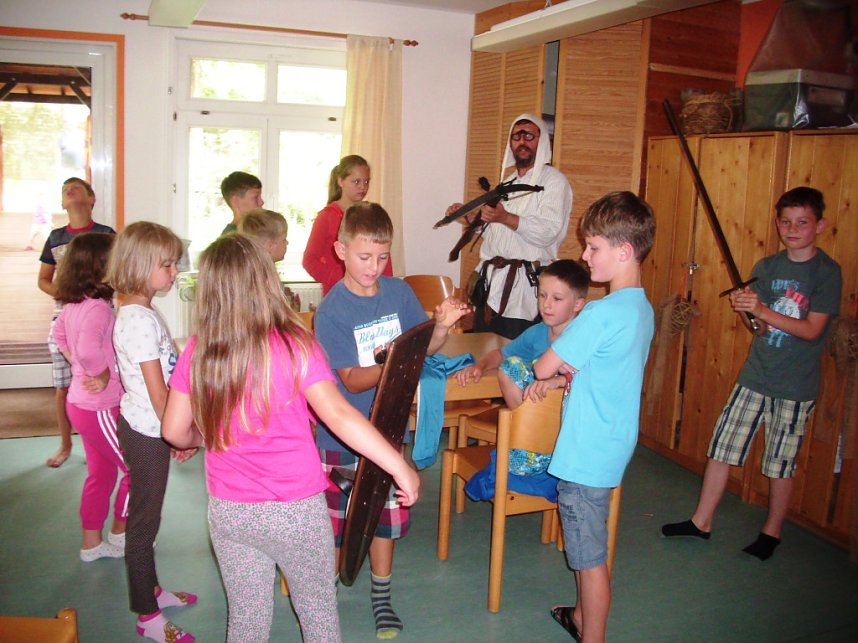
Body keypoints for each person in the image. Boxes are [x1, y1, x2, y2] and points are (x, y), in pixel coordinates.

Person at [162, 234, 420, 643]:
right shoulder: (295, 345)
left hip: (230, 509)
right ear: (267, 282)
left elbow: (174, 431)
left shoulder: (198, 349)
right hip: (295, 511)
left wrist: (201, 437)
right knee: (317, 616)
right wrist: (398, 466)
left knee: (246, 620)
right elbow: (337, 415)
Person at [661, 186, 842, 562]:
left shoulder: (827, 272)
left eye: (802, 223)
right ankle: (701, 521)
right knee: (721, 448)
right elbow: (758, 330)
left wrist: (760, 309)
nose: (792, 229)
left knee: (780, 461)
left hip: (795, 384)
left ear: (819, 225)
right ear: (777, 224)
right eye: (786, 222)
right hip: (755, 375)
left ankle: (771, 530)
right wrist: (748, 312)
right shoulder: (767, 267)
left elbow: (811, 330)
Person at [314, 202, 468, 639]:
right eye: (365, 257)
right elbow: (353, 380)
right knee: (337, 524)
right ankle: (322, 593)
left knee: (384, 519)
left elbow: (427, 349)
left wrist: (441, 327)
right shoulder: (332, 311)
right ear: (342, 250)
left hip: (387, 432)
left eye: (382, 257)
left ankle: (381, 595)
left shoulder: (399, 293)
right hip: (340, 436)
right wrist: (397, 360)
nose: (374, 267)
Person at [533, 191, 655, 643]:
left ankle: (593, 634)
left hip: (585, 452)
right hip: (612, 443)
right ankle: (582, 615)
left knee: (588, 557)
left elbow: (543, 367)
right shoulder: (641, 308)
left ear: (623, 251)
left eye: (593, 247)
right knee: (590, 542)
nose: (584, 256)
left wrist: (560, 362)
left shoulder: (601, 312)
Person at [106, 222, 198, 643]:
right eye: (167, 264)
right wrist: (178, 434)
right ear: (142, 266)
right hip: (146, 431)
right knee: (144, 524)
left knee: (151, 515)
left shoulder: (142, 309)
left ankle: (153, 591)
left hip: (152, 427)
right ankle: (147, 615)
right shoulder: (136, 319)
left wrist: (173, 431)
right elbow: (158, 392)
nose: (174, 271)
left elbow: (169, 370)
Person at [446, 114, 572, 339]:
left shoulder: (554, 182)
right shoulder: (507, 185)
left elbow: (548, 232)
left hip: (525, 292)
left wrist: (504, 217)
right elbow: (498, 233)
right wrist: (470, 218)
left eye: (529, 135)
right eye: (516, 136)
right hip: (491, 287)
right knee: (484, 352)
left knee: (516, 359)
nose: (522, 141)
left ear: (541, 141)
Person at [52, 232, 128, 562]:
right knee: (136, 470)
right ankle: (122, 533)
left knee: (101, 473)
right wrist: (100, 372)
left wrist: (79, 368)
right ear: (101, 268)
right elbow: (85, 349)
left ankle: (91, 543)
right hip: (99, 407)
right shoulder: (97, 308)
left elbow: (59, 337)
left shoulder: (74, 305)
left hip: (81, 405)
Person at [38, 177, 115, 468]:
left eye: (77, 187)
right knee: (64, 385)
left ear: (92, 198)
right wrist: (68, 293)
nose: (70, 190)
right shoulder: (55, 237)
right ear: (62, 202)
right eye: (64, 189)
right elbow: (44, 280)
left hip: (98, 316)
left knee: (102, 378)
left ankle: (99, 436)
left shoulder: (105, 235)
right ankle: (66, 444)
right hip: (65, 317)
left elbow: (116, 271)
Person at [302, 155, 393, 295]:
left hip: (371, 292)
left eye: (366, 181)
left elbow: (383, 255)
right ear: (341, 181)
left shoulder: (371, 214)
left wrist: (387, 288)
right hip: (339, 293)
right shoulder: (326, 217)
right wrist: (340, 278)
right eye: (356, 182)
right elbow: (310, 261)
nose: (363, 187)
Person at [220, 171, 263, 235]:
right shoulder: (232, 238)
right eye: (255, 197)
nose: (261, 202)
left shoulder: (253, 231)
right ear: (235, 201)